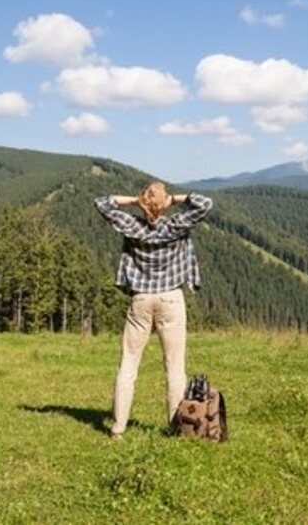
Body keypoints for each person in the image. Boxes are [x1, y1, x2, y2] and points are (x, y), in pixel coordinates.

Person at [94, 182, 213, 439]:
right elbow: (205, 203)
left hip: (141, 299)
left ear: (143, 202)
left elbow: (102, 203)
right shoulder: (175, 225)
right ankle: (175, 426)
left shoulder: (133, 226)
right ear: (165, 204)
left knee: (128, 364)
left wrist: (136, 202)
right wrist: (173, 200)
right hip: (171, 299)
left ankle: (118, 428)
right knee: (174, 367)